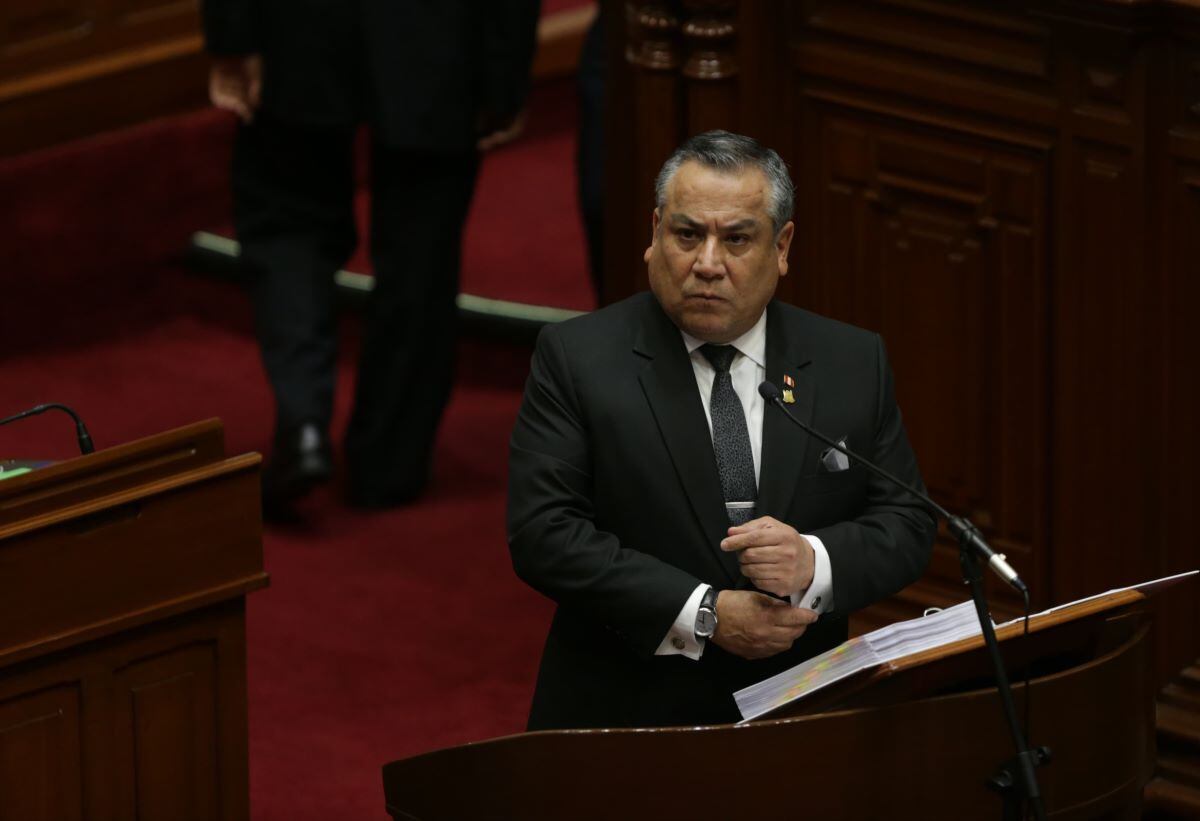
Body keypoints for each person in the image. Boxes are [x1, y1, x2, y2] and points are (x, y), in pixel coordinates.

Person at [507, 130, 937, 730]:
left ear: (782, 247)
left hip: (800, 712)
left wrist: (813, 562)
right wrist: (702, 612)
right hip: (627, 713)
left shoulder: (849, 361)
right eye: (687, 235)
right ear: (655, 234)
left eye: (736, 239)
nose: (707, 264)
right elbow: (544, 533)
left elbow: (907, 523)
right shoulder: (577, 357)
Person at [202, 1, 540, 516]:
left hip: (300, 27)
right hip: (439, 35)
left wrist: (233, 32)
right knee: (420, 251)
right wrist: (505, 69)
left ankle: (304, 422)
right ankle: (388, 466)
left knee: (286, 216)